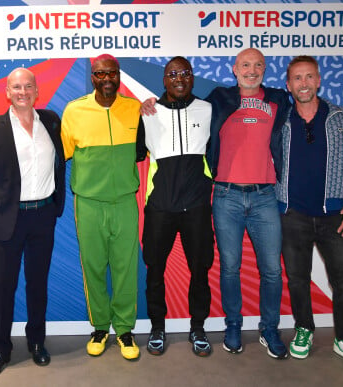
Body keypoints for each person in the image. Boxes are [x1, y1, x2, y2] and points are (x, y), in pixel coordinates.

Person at [276, 56, 343, 372]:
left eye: (309, 77)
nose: (303, 84)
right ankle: (304, 328)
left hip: (336, 215)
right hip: (293, 215)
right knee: (298, 279)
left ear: (318, 81)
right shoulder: (280, 121)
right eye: (297, 79)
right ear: (288, 85)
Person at [0, 67, 65, 381]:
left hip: (43, 216)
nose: (23, 91)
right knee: (4, 288)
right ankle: (2, 348)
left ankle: (36, 341)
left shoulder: (51, 121)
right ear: (7, 92)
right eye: (16, 87)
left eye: (28, 86)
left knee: (37, 286)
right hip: (5, 219)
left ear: (37, 90)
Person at [205, 48, 290, 359]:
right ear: (234, 69)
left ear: (265, 70)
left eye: (257, 65)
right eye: (245, 65)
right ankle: (233, 325)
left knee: (271, 270)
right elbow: (183, 108)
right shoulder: (219, 98)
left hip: (264, 196)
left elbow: (310, 109)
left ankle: (269, 328)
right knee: (230, 268)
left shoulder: (279, 100)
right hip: (226, 196)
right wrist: (150, 104)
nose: (251, 70)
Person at [61, 54, 142, 361]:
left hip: (124, 201)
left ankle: (124, 329)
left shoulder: (134, 109)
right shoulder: (74, 110)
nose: (107, 78)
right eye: (100, 74)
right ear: (92, 77)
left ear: (118, 76)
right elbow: (61, 156)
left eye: (112, 73)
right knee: (93, 267)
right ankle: (99, 327)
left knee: (125, 268)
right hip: (89, 203)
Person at [136, 57, 214, 357]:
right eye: (172, 74)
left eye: (184, 73)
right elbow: (135, 153)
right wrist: (139, 107)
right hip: (161, 208)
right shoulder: (148, 113)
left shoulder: (207, 110)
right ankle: (157, 327)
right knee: (155, 269)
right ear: (164, 79)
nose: (179, 78)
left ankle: (197, 328)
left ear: (192, 78)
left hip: (196, 207)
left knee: (200, 270)